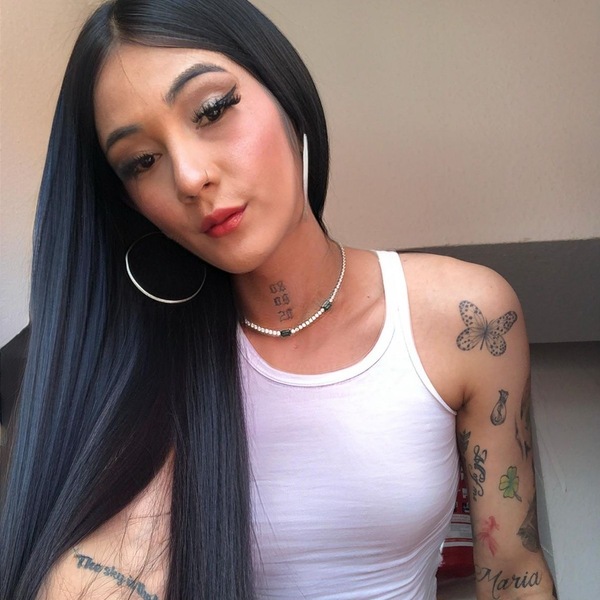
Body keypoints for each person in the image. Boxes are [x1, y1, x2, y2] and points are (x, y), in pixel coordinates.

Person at [0, 0, 557, 598]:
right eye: (142, 161)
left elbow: (512, 569)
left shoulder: (468, 317)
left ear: (285, 91)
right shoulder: (131, 365)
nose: (189, 177)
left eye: (211, 110)